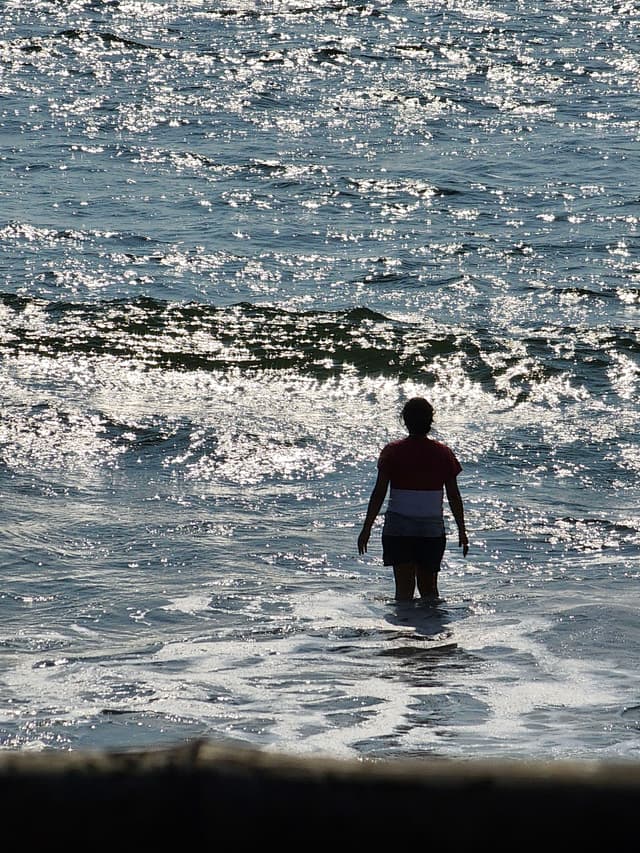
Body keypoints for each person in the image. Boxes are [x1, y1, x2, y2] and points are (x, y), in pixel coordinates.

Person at [357, 396, 469, 601]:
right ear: (430, 422)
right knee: (429, 592)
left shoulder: (392, 452)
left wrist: (367, 528)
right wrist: (462, 530)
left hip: (399, 530)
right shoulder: (443, 453)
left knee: (403, 593)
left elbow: (379, 493)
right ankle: (430, 631)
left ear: (405, 421)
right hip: (431, 530)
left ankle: (402, 631)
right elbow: (454, 496)